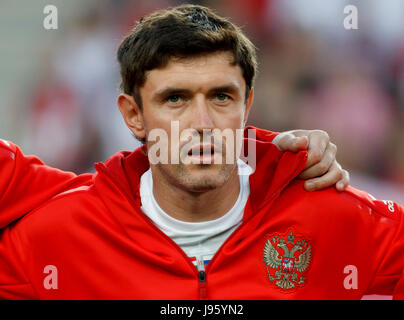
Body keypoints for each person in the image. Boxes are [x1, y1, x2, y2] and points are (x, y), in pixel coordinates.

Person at [0, 4, 402, 299]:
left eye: (221, 97)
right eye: (175, 98)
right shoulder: (56, 235)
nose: (202, 123)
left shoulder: (330, 213)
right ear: (133, 115)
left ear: (247, 106)